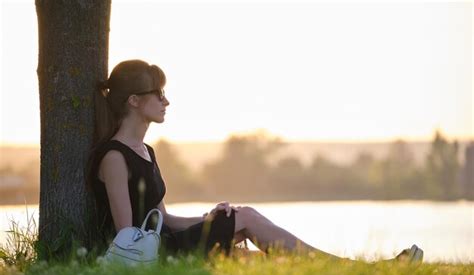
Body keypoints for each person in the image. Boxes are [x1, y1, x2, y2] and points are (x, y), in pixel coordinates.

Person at [87, 59, 423, 262]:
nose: (166, 101)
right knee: (244, 216)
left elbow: (164, 218)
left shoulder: (147, 152)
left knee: (251, 260)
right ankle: (363, 268)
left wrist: (207, 219)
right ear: (133, 101)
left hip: (166, 244)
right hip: (151, 256)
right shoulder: (115, 157)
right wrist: (209, 231)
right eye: (157, 94)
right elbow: (127, 236)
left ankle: (360, 271)